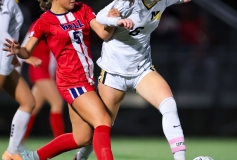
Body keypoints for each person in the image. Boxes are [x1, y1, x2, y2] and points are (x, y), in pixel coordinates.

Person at [3, 0, 134, 159]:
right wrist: (18, 50)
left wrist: (112, 21)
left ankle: (30, 157)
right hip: (71, 82)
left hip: (87, 79)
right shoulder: (45, 21)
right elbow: (27, 51)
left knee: (82, 138)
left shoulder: (82, 9)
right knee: (103, 120)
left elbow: (103, 33)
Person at [75, 0, 191, 160]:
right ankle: (80, 158)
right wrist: (116, 20)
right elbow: (101, 16)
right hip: (113, 73)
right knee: (101, 126)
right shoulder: (126, 3)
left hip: (142, 70)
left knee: (169, 105)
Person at [0, 0, 38, 159]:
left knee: (28, 101)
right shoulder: (7, 2)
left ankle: (12, 152)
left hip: (4, 61)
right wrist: (21, 53)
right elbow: (1, 32)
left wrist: (13, 55)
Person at [16, 21, 65, 151]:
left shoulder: (59, 24)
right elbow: (23, 48)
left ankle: (18, 142)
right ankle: (60, 142)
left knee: (34, 107)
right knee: (57, 103)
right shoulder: (40, 24)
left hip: (47, 72)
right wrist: (17, 71)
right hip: (39, 70)